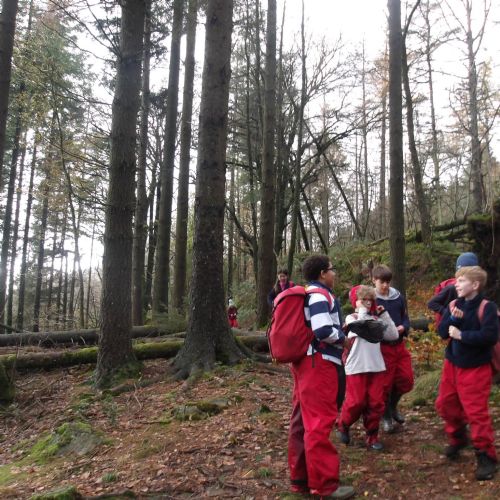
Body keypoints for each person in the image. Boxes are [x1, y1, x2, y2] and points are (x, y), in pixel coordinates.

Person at [288, 254, 355, 499]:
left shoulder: (309, 294)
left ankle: (301, 478)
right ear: (322, 274)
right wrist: (344, 340)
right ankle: (324, 486)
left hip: (307, 363)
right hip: (319, 364)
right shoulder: (318, 295)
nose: (334, 273)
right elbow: (322, 329)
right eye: (332, 269)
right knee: (318, 423)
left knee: (301, 421)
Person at [436, 266, 498, 481]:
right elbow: (442, 332)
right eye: (457, 280)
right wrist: (453, 320)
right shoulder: (454, 304)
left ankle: (486, 456)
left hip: (476, 368)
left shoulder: (487, 307)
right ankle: (458, 438)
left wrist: (462, 335)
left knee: (476, 413)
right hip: (452, 364)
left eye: (461, 281)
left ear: (475, 285)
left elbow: (490, 336)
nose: (456, 284)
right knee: (445, 404)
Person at [337, 285, 399, 451]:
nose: (368, 303)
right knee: (356, 402)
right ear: (355, 301)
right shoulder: (351, 318)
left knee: (376, 403)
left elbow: (393, 335)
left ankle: (372, 437)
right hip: (356, 366)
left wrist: (384, 314)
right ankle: (343, 425)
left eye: (370, 299)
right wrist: (364, 310)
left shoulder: (377, 320)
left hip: (376, 366)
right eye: (363, 299)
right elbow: (363, 328)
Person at [371, 264, 413, 433]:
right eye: (382, 282)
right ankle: (386, 416)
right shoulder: (371, 299)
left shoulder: (398, 297)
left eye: (388, 282)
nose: (385, 285)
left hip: (399, 346)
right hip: (382, 348)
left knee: (406, 380)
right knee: (385, 385)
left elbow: (405, 318)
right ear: (374, 280)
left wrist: (403, 327)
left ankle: (393, 407)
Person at [428, 252, 479, 329]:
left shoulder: (475, 287)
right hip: (449, 326)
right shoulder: (451, 288)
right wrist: (448, 313)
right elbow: (431, 303)